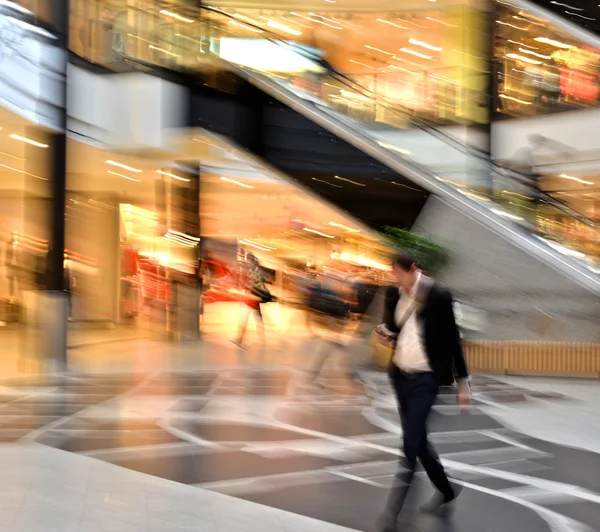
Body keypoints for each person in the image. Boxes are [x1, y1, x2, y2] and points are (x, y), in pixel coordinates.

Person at [376, 253, 471, 532]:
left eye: (399, 274)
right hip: (401, 377)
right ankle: (447, 488)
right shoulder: (393, 294)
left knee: (410, 445)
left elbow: (453, 338)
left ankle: (393, 515)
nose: (396, 279)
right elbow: (393, 328)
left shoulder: (438, 295)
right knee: (417, 440)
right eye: (393, 274)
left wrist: (463, 382)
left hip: (426, 379)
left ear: (414, 270)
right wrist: (384, 333)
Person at [232, 253, 269, 348]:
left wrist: (246, 287)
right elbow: (264, 279)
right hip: (254, 296)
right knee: (257, 318)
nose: (246, 261)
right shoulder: (257, 269)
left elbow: (252, 283)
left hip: (253, 297)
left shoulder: (253, 269)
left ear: (250, 260)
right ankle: (262, 339)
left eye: (247, 260)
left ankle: (239, 339)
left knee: (245, 317)